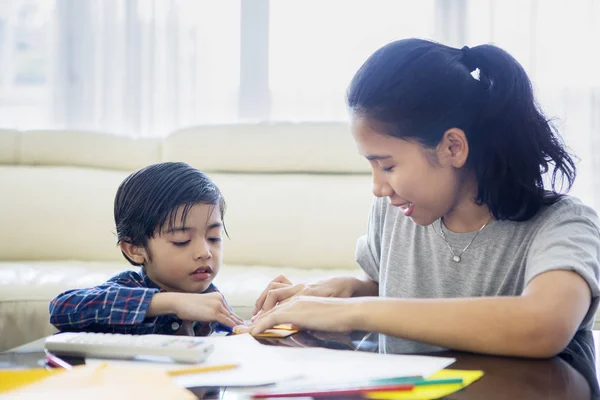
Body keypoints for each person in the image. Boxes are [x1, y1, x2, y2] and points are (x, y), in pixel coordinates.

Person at [243, 39, 600, 358]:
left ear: (452, 147)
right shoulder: (394, 213)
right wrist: (351, 291)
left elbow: (544, 325)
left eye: (388, 165)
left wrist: (353, 310)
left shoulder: (564, 224)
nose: (379, 188)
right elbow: (400, 291)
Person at [49, 162, 242, 336]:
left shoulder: (211, 296)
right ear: (135, 249)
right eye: (181, 240)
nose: (205, 252)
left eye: (213, 238)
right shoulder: (129, 286)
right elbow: (61, 308)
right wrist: (171, 303)